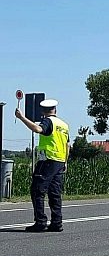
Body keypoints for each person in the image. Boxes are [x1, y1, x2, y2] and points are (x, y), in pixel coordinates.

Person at [15, 99, 70, 232]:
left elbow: (37, 129)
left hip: (47, 161)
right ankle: (57, 223)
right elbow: (68, 145)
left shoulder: (48, 121)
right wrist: (65, 161)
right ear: (55, 110)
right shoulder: (63, 125)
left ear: (43, 111)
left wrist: (22, 117)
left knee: (37, 190)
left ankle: (40, 222)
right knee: (55, 193)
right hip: (59, 161)